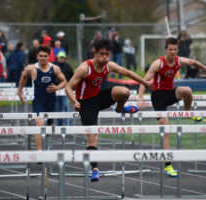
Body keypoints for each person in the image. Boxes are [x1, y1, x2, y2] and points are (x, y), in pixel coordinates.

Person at [65, 39, 152, 182]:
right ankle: (95, 169)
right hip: (86, 103)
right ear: (95, 52)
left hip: (99, 97)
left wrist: (145, 82)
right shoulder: (84, 68)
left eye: (108, 54)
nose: (105, 57)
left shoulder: (109, 65)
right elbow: (68, 87)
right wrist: (75, 101)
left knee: (124, 91)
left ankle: (120, 109)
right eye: (102, 54)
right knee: (93, 136)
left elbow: (128, 72)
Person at [137, 37, 206, 178]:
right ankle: (168, 166)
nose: (173, 52)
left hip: (170, 93)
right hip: (158, 96)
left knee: (187, 90)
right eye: (170, 50)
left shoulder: (178, 60)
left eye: (175, 50)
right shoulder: (158, 64)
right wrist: (140, 99)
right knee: (166, 126)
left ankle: (188, 113)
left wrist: (203, 67)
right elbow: (143, 81)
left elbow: (192, 62)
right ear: (165, 50)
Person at [18, 45, 67, 150]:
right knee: (40, 124)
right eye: (41, 56)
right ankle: (40, 152)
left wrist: (57, 87)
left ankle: (47, 147)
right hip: (38, 101)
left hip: (51, 101)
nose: (43, 58)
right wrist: (20, 93)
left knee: (48, 128)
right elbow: (23, 78)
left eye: (45, 56)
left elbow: (64, 81)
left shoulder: (55, 68)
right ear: (37, 56)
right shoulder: (31, 68)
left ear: (49, 57)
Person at [54, 51, 74, 125]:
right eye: (60, 57)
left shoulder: (68, 66)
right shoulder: (54, 66)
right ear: (58, 58)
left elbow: (73, 77)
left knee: (66, 106)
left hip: (65, 90)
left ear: (65, 58)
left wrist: (71, 86)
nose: (61, 59)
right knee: (58, 107)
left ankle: (68, 123)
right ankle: (59, 124)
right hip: (56, 89)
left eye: (63, 57)